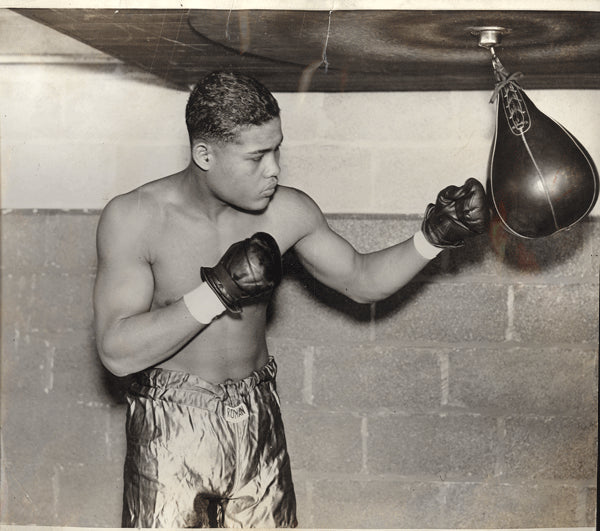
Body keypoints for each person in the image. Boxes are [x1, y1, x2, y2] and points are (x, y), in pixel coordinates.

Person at [93, 71, 488, 528]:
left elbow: (360, 279)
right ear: (205, 154)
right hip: (171, 422)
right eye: (257, 156)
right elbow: (116, 352)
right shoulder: (135, 217)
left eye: (277, 149)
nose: (274, 169)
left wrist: (433, 237)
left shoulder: (288, 211)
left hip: (257, 415)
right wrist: (217, 292)